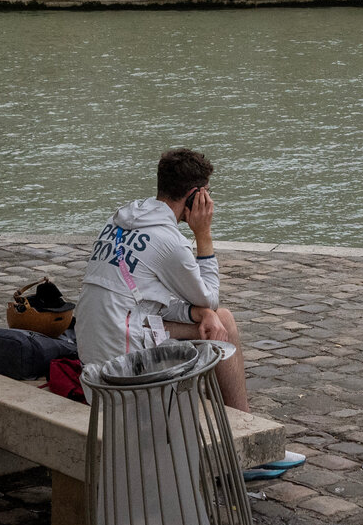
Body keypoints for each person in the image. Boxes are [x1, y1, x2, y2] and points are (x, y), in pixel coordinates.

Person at [78, 147, 249, 410]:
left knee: (212, 318)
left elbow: (146, 298)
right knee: (223, 318)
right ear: (195, 196)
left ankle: (239, 423)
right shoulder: (169, 241)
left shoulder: (117, 222)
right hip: (124, 370)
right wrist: (203, 234)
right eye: (207, 193)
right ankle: (246, 426)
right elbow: (210, 298)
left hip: (96, 355)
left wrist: (197, 314)